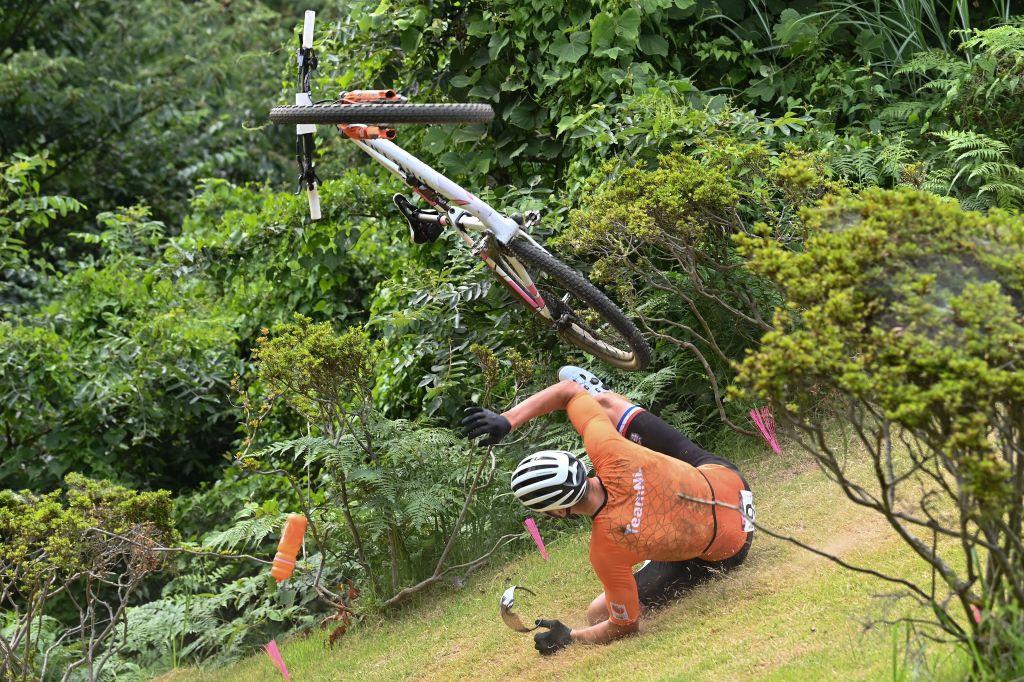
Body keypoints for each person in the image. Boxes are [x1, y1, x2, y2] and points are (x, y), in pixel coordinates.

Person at [462, 366, 755, 655]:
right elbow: (567, 392)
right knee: (607, 407)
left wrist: (569, 637)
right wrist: (506, 420)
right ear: (575, 463)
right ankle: (602, 398)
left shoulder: (606, 550)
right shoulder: (607, 448)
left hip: (731, 549)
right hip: (732, 483)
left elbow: (623, 624)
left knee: (596, 612)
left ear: (557, 512)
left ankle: (653, 547)